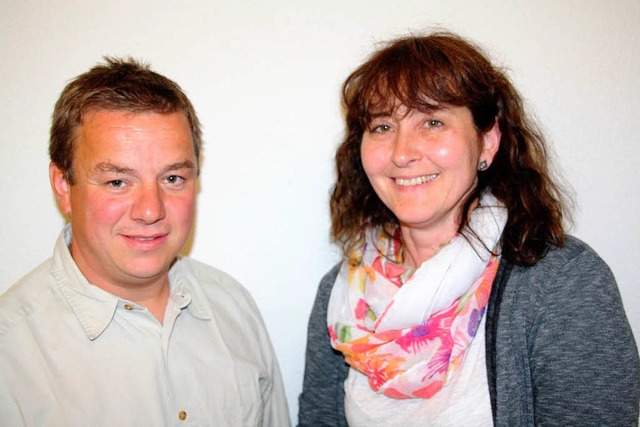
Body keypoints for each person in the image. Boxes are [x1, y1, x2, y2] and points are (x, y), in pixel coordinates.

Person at [298, 31, 640, 426]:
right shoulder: (342, 292)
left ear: (487, 141)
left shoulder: (561, 282)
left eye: (432, 120)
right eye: (382, 127)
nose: (402, 153)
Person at [0, 57, 290, 426]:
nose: (151, 211)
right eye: (117, 182)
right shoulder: (10, 353)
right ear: (63, 186)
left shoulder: (233, 307)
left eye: (172, 179)